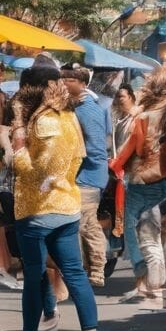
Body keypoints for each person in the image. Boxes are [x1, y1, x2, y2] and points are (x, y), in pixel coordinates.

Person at [4, 65, 107, 331]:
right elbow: (77, 157)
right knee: (75, 275)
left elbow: (37, 170)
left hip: (38, 209)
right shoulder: (69, 116)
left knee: (35, 276)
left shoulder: (44, 120)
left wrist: (18, 146)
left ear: (32, 90)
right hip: (66, 204)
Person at [109, 69, 166, 311]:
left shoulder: (144, 117)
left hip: (143, 180)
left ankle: (145, 281)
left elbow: (137, 149)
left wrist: (115, 164)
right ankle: (155, 283)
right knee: (154, 230)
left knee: (136, 229)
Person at [63, 66, 110, 288]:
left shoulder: (89, 110)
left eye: (69, 80)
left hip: (89, 177)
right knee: (87, 224)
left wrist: (75, 160)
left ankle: (95, 269)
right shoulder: (78, 106)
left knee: (84, 225)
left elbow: (97, 149)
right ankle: (94, 270)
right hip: (84, 176)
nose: (64, 83)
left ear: (82, 83)